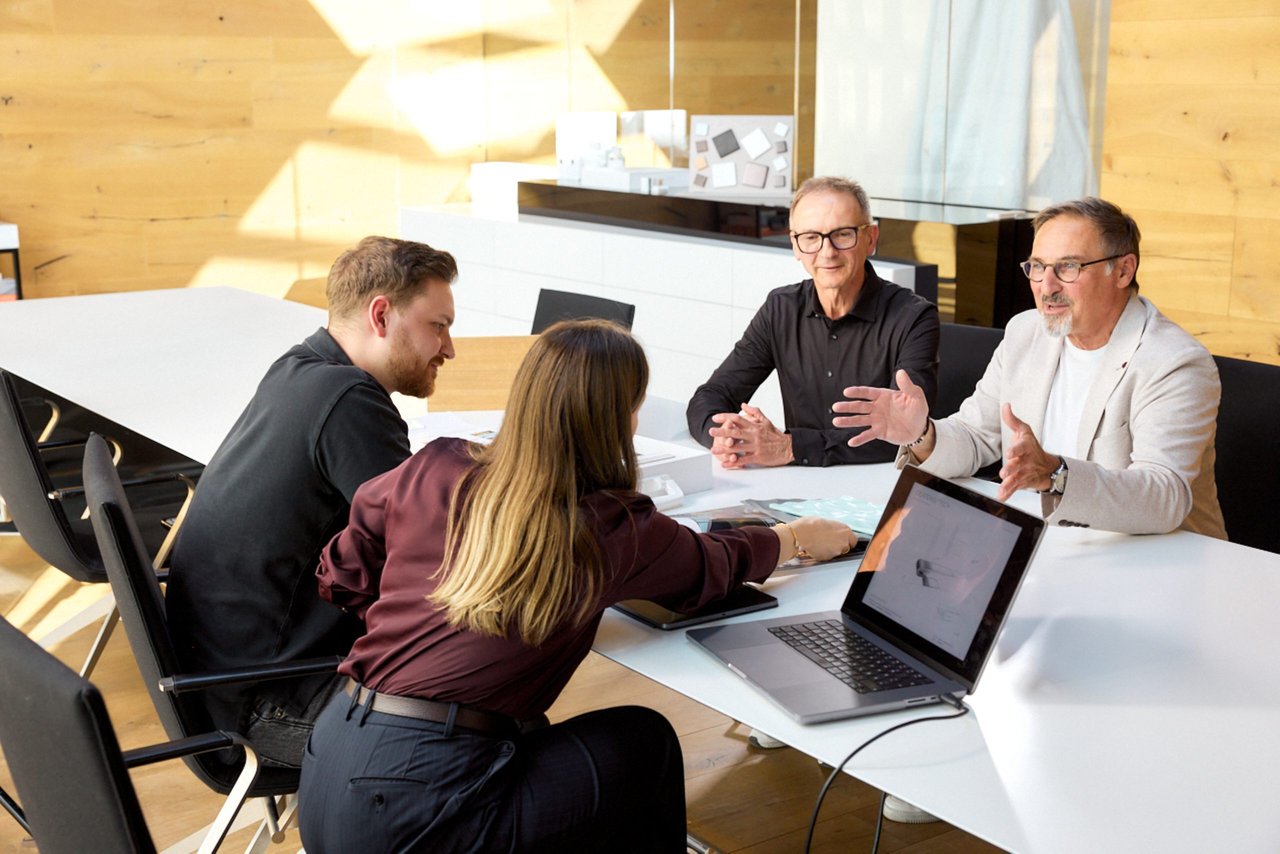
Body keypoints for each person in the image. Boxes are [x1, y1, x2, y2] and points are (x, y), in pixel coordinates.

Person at [297, 320, 857, 853]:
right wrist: (793, 536)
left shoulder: (436, 463)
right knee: (643, 743)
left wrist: (423, 616)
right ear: (617, 419)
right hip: (420, 805)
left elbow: (341, 571)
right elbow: (709, 566)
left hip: (329, 764)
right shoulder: (608, 525)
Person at [166, 236, 458, 768]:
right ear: (381, 315)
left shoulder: (299, 368)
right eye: (438, 325)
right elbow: (437, 551)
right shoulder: (351, 401)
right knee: (490, 729)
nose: (448, 347)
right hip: (267, 704)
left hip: (219, 683)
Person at [834, 196, 1225, 538]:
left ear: (1123, 270)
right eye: (1037, 267)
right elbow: (976, 437)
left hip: (1159, 565)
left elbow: (1164, 497)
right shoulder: (1026, 331)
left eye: (1068, 267)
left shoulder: (1173, 362)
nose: (1046, 285)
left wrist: (1056, 475)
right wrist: (923, 434)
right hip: (1045, 545)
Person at [686, 176, 939, 469]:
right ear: (795, 245)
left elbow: (907, 430)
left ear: (870, 239)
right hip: (796, 489)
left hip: (877, 486)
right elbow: (711, 396)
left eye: (843, 234)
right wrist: (724, 437)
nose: (827, 252)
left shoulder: (914, 318)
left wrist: (790, 447)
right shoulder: (780, 309)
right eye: (810, 238)